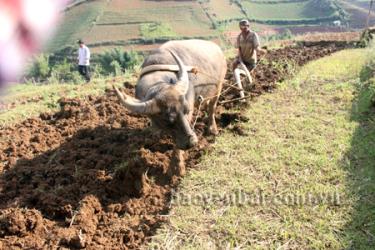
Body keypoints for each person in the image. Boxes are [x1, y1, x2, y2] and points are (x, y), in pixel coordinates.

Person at [232, 19, 266, 98]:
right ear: (240, 28)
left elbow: (257, 47)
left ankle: (248, 90)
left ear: (248, 26)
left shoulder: (253, 35)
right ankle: (235, 81)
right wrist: (239, 58)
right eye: (242, 27)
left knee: (248, 77)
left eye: (246, 26)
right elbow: (239, 48)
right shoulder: (239, 37)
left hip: (251, 60)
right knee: (233, 64)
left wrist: (261, 51)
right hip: (242, 59)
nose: (244, 29)